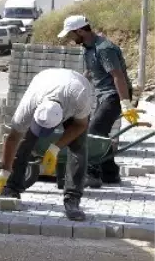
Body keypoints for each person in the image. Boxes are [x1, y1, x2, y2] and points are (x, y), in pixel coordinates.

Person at [0, 67, 95, 221]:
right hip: (44, 80)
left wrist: (55, 148)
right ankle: (11, 187)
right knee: (25, 140)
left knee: (78, 147)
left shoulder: (80, 99)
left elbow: (80, 125)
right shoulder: (29, 106)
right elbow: (13, 138)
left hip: (75, 85)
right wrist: (5, 171)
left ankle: (72, 200)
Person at [58, 14, 140, 187]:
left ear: (80, 30)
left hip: (115, 95)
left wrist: (125, 103)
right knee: (99, 133)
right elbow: (91, 72)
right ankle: (110, 174)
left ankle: (92, 174)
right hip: (104, 95)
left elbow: (117, 76)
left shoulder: (104, 48)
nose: (70, 39)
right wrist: (76, 85)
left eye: (71, 34)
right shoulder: (88, 48)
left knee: (94, 131)